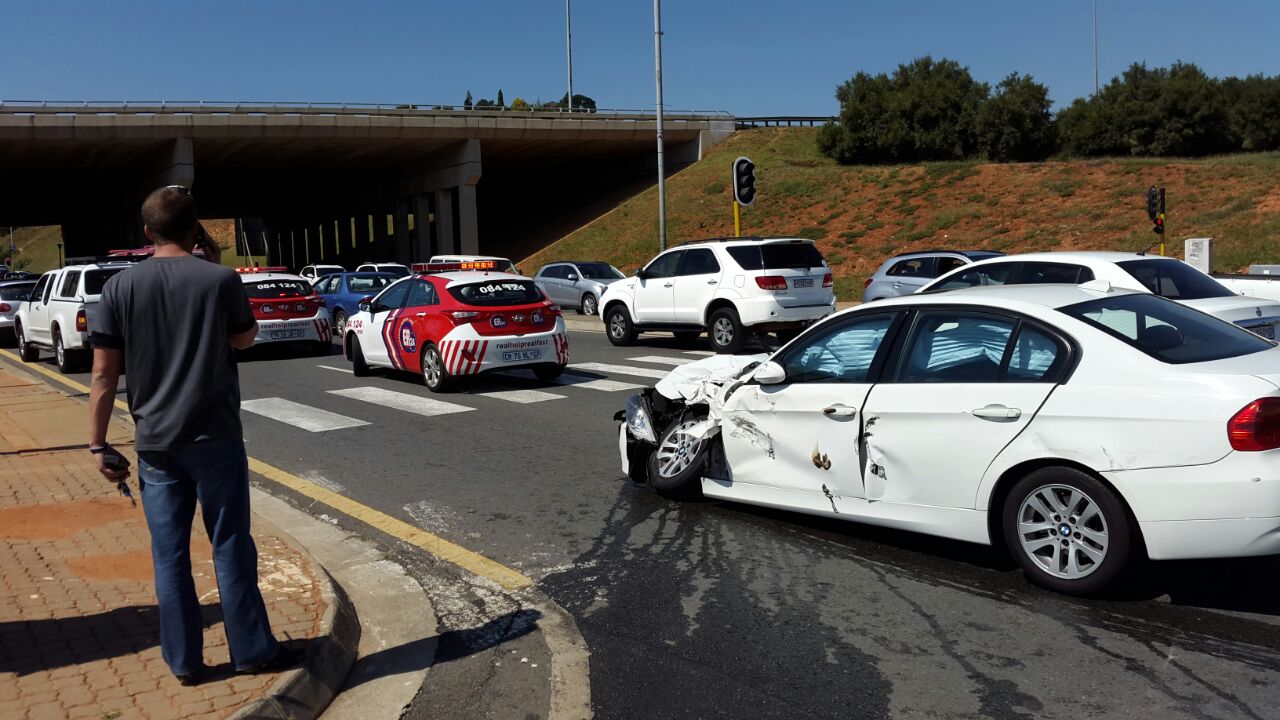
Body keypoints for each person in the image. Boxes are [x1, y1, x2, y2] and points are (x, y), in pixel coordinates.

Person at [89, 186, 301, 685]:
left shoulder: (118, 289)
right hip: (216, 436)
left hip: (155, 444)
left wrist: (98, 444)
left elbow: (102, 375)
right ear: (195, 228)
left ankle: (184, 661)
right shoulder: (220, 278)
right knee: (230, 545)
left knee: (169, 557)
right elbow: (245, 337)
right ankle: (251, 650)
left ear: (146, 232)